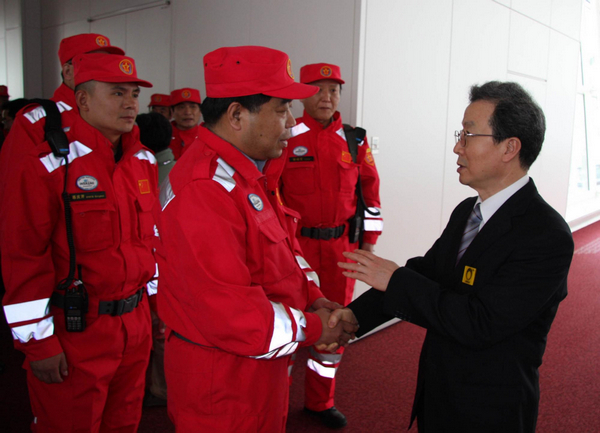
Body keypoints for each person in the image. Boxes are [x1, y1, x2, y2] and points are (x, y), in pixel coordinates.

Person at [333, 81, 575, 433]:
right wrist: (354, 316)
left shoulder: (546, 235)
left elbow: (480, 322)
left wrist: (396, 279)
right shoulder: (468, 211)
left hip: (489, 411)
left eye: (468, 135)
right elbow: (430, 274)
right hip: (440, 394)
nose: (456, 147)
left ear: (510, 147)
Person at [154, 45, 359, 433]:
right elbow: (232, 315)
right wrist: (317, 328)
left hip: (257, 373)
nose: (291, 123)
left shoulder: (248, 176)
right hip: (223, 384)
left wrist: (314, 298)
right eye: (281, 109)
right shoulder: (205, 189)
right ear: (236, 115)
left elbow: (282, 253)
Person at [0, 52, 157, 432]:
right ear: (83, 99)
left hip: (135, 329)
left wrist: (155, 312)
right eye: (117, 93)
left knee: (124, 424)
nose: (130, 103)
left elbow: (152, 244)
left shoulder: (142, 160)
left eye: (134, 94)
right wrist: (38, 343)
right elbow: (24, 255)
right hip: (76, 332)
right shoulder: (49, 161)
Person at [279, 62, 382, 428]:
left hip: (340, 251)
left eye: (333, 90)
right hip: (296, 249)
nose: (326, 97)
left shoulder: (353, 139)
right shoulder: (286, 134)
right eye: (318, 89)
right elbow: (270, 192)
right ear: (303, 93)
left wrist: (368, 244)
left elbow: (370, 191)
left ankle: (320, 402)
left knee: (335, 327)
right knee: (290, 325)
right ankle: (275, 405)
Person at [1, 33, 125, 159]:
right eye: (93, 64)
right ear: (68, 71)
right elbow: (14, 176)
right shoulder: (36, 121)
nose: (105, 72)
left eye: (108, 64)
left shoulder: (119, 115)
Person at [136, 111, 174, 408]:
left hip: (153, 267)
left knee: (158, 331)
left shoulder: (148, 173)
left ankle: (160, 388)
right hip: (166, 268)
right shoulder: (180, 167)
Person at [168, 87, 201, 160]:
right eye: (181, 107)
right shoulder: (163, 135)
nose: (188, 112)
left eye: (193, 107)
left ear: (200, 112)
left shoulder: (206, 136)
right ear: (172, 112)